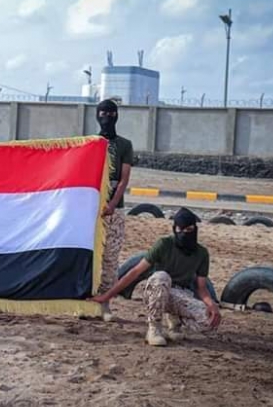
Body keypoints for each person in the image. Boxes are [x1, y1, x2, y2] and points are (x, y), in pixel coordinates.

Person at [92, 208, 222, 346]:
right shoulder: (164, 244)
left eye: (188, 230)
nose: (184, 233)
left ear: (195, 229)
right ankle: (154, 328)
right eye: (180, 229)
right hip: (156, 290)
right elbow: (135, 272)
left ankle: (176, 320)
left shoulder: (201, 253)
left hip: (180, 295)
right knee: (162, 277)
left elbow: (202, 288)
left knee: (210, 323)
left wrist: (211, 305)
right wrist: (106, 296)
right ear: (174, 229)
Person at [97, 99, 134, 290]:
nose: (107, 118)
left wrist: (112, 204)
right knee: (91, 254)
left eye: (111, 114)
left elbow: (123, 179)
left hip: (115, 209)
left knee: (110, 257)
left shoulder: (124, 145)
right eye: (103, 114)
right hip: (93, 207)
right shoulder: (91, 143)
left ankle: (105, 299)